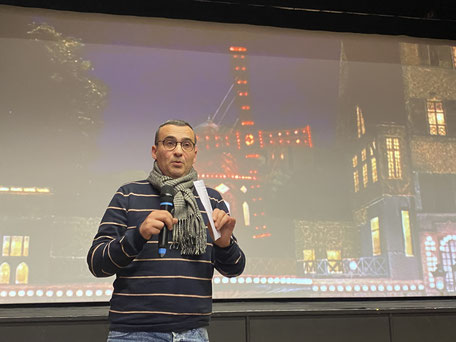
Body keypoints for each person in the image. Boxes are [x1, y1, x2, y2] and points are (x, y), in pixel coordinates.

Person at [87, 119, 246, 341]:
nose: (178, 151)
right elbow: (97, 263)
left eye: (186, 145)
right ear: (155, 151)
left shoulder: (210, 199)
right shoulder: (128, 195)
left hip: (194, 334)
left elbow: (234, 269)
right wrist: (137, 235)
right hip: (134, 333)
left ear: (195, 153)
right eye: (170, 143)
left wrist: (224, 245)